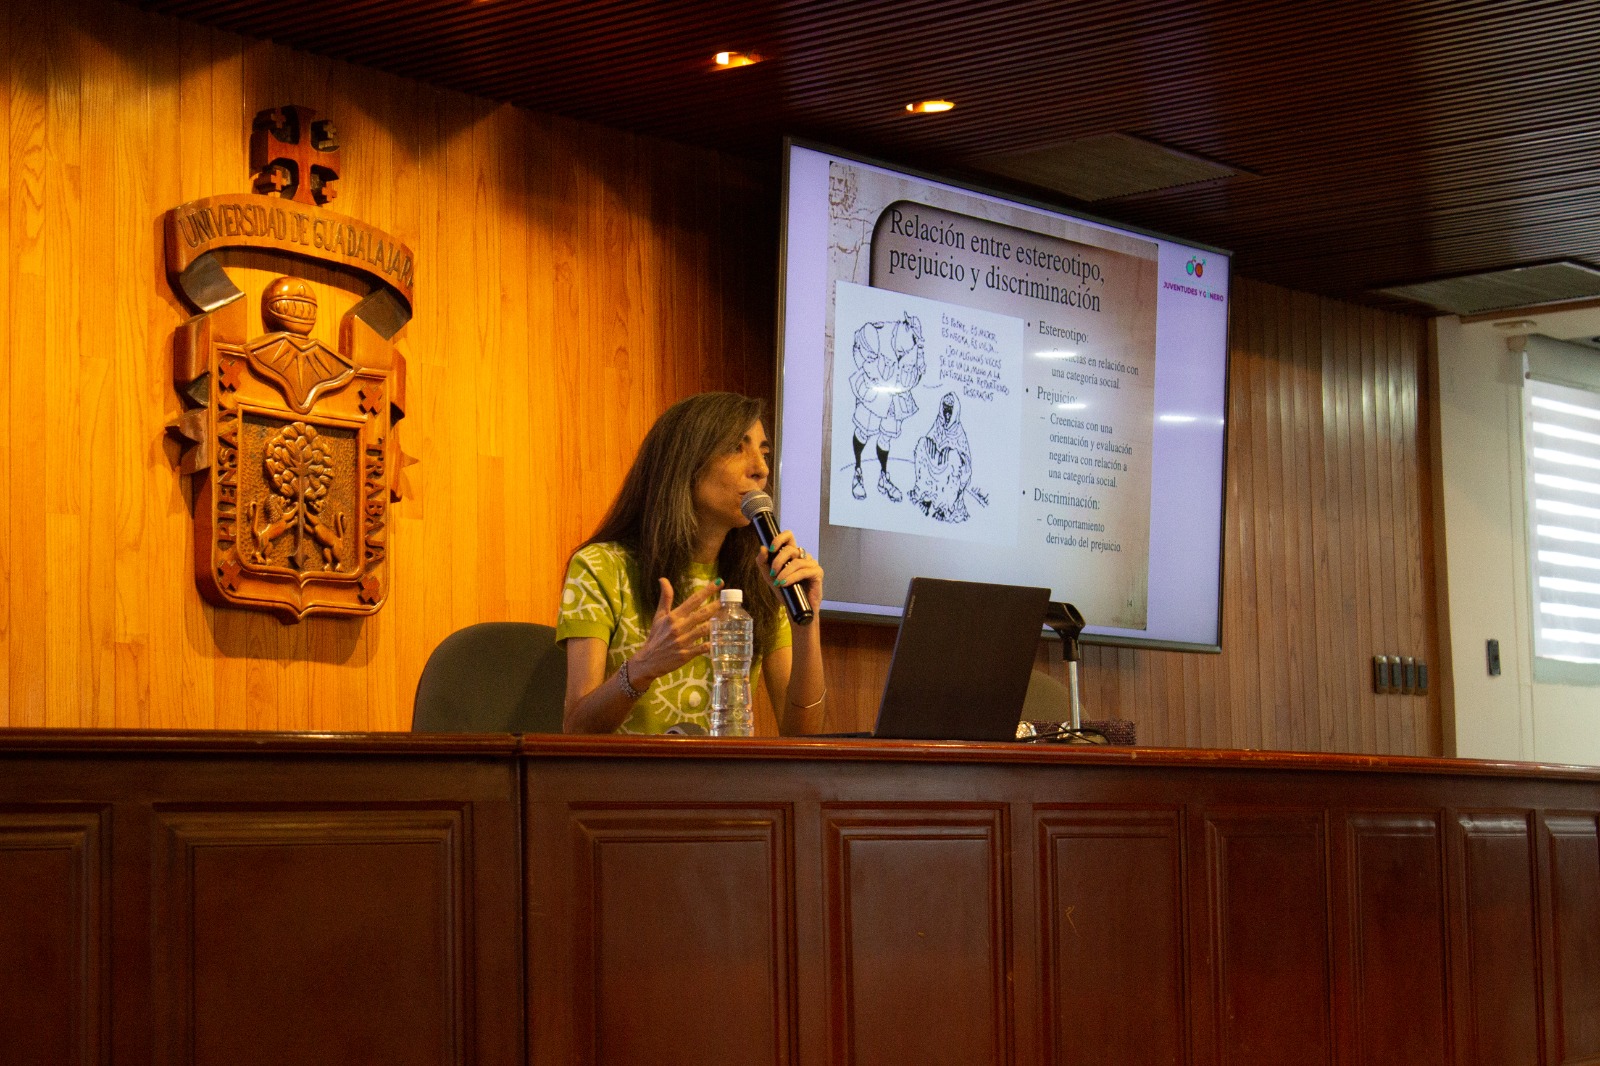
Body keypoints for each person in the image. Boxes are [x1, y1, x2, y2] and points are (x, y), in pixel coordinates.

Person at [557, 392, 826, 735]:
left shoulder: (763, 579)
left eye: (764, 452)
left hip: (725, 784)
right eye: (736, 448)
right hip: (624, 785)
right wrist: (643, 667)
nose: (760, 469)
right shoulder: (601, 566)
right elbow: (575, 731)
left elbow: (803, 740)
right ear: (685, 462)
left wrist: (807, 623)